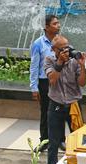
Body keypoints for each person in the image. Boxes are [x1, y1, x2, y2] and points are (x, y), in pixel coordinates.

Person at [44, 35, 86, 164]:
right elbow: (52, 80)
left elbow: (82, 83)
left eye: (67, 48)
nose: (66, 52)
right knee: (53, 142)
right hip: (56, 104)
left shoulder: (74, 61)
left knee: (79, 139)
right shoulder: (49, 60)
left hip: (74, 104)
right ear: (54, 50)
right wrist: (60, 63)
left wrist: (82, 66)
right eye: (62, 49)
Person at [30, 14, 60, 152]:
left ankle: (60, 140)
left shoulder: (60, 41)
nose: (58, 25)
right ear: (46, 27)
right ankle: (44, 141)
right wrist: (34, 88)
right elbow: (34, 66)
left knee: (60, 111)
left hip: (59, 81)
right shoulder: (38, 44)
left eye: (58, 23)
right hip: (44, 82)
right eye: (55, 24)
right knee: (45, 112)